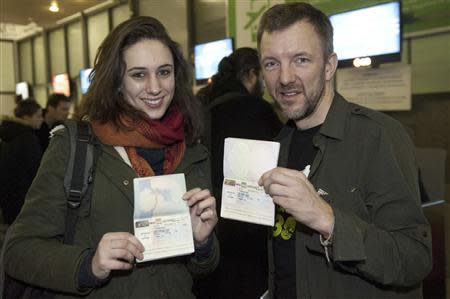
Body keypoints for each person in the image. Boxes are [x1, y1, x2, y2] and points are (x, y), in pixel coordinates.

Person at [4, 16, 219, 298]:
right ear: (117, 81)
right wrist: (88, 265)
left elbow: (201, 269)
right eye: (138, 74)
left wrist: (202, 243)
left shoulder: (193, 151)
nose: (155, 87)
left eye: (164, 72)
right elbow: (18, 250)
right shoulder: (76, 146)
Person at [256, 3, 432, 298]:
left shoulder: (377, 137)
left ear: (329, 65)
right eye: (271, 63)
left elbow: (414, 258)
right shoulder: (277, 146)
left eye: (300, 60)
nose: (284, 78)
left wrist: (327, 219)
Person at [196, 47, 282, 299]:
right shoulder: (257, 110)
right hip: (250, 230)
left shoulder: (204, 105)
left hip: (210, 226)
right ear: (251, 74)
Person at [0, 99, 44, 225]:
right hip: (24, 198)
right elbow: (36, 171)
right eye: (38, 116)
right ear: (26, 117)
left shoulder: (8, 135)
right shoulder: (28, 139)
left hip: (8, 196)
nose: (41, 119)